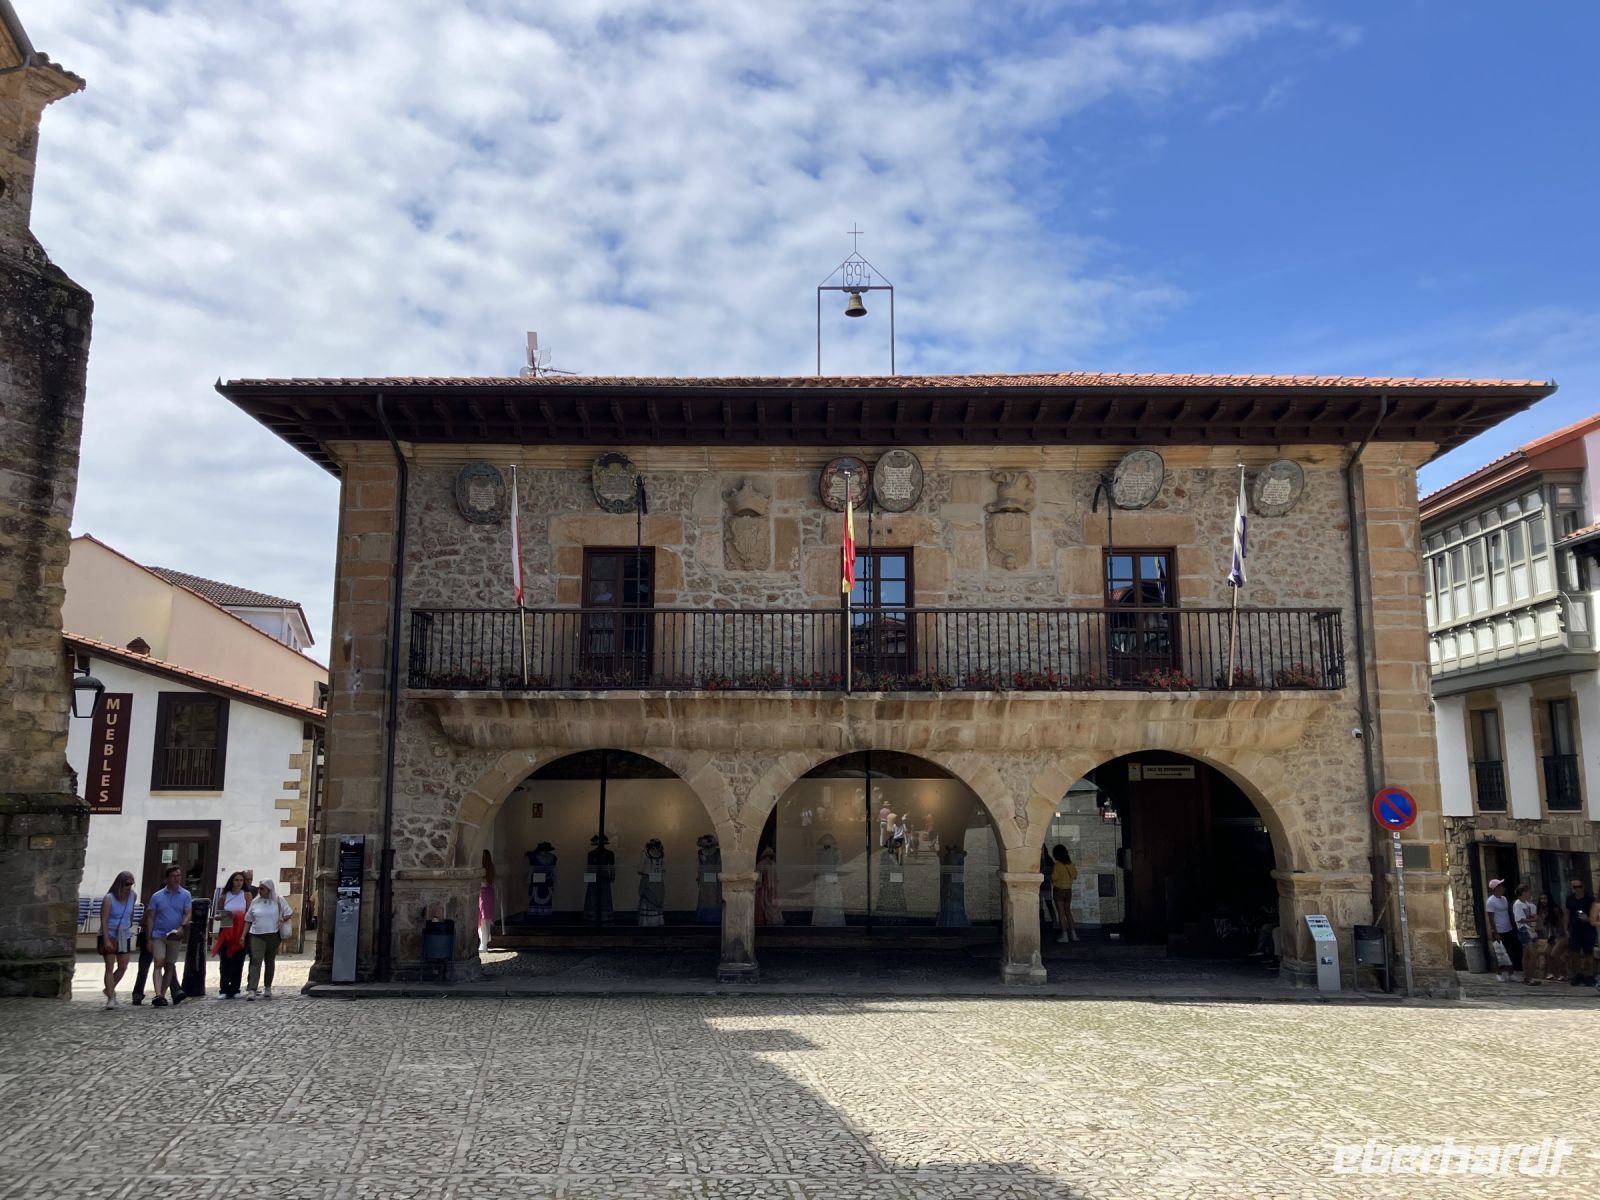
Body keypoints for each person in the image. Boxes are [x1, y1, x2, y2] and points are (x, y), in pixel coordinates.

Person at [144, 865, 192, 1007]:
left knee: (170, 965)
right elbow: (151, 917)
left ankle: (163, 994)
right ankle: (158, 994)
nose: (177, 878)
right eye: (173, 876)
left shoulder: (185, 895)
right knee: (158, 962)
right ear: (167, 879)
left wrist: (182, 926)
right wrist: (149, 938)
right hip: (159, 934)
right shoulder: (157, 896)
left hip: (175, 935)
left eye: (178, 875)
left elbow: (188, 912)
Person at [244, 879, 291, 999]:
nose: (259, 890)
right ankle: (252, 989)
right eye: (259, 888)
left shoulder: (278, 900)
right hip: (256, 934)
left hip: (273, 934)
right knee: (256, 960)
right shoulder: (255, 902)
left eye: (262, 888)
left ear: (269, 889)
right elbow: (248, 919)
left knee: (269, 961)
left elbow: (288, 912)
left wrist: (283, 919)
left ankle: (268, 986)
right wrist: (243, 935)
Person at [97, 871, 137, 1009]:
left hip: (124, 933)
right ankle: (111, 996)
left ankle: (109, 988)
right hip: (110, 934)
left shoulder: (133, 896)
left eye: (131, 884)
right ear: (120, 883)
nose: (129, 887)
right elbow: (104, 920)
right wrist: (106, 939)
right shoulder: (109, 898)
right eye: (127, 884)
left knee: (123, 966)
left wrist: (129, 926)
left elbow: (130, 913)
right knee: (109, 966)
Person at [211, 871, 250, 999]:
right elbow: (218, 912)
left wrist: (238, 916)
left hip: (240, 930)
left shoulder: (246, 895)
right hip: (227, 930)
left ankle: (235, 988)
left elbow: (249, 914)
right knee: (225, 961)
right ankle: (223, 988)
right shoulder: (224, 896)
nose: (238, 883)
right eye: (236, 880)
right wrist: (219, 916)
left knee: (238, 961)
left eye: (241, 880)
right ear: (231, 881)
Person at [1485, 878, 1519, 982]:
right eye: (1501, 886)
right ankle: (1499, 973)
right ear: (1496, 888)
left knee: (1509, 952)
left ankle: (1511, 973)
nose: (1503, 888)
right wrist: (1495, 932)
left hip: (1507, 928)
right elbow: (1491, 918)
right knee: (1500, 953)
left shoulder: (1504, 899)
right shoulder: (1490, 901)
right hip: (1499, 930)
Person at [1568, 877, 1597, 986]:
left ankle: (1589, 975)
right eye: (1574, 887)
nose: (1577, 889)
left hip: (1588, 929)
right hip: (1575, 929)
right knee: (1575, 953)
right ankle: (1578, 974)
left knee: (1588, 953)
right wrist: (1566, 927)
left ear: (1583, 887)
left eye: (1579, 887)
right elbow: (1567, 913)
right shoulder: (1570, 899)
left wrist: (1588, 919)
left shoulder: (1590, 899)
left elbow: (1596, 916)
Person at [1512, 883, 1542, 986]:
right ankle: (1530, 977)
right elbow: (1520, 919)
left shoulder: (1528, 904)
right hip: (1524, 930)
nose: (1530, 893)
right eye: (1528, 891)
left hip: (1530, 930)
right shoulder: (1518, 904)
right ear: (1523, 893)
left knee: (1527, 954)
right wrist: (1534, 919)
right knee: (1533, 954)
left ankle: (1527, 976)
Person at [1051, 845, 1079, 944]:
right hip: (1068, 890)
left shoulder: (1057, 865)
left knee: (1061, 914)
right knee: (1068, 912)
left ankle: (1065, 935)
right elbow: (1075, 875)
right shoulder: (1070, 864)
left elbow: (1054, 878)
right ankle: (1074, 934)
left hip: (1059, 891)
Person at [1539, 893, 1568, 983]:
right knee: (1545, 952)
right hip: (1551, 935)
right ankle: (1554, 973)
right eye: (1542, 899)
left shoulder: (1555, 909)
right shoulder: (1542, 910)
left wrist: (1564, 932)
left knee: (1554, 954)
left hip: (1560, 934)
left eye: (1545, 898)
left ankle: (1563, 974)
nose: (1543, 901)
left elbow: (1562, 921)